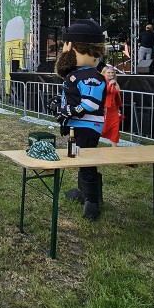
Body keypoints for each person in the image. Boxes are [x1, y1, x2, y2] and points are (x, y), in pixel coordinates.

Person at [55, 19, 107, 220]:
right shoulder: (77, 74)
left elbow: (90, 104)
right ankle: (84, 194)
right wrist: (60, 104)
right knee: (80, 158)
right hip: (78, 125)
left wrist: (69, 110)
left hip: (87, 126)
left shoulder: (90, 76)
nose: (63, 50)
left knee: (87, 161)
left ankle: (92, 201)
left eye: (66, 46)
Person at [101, 66, 123, 147]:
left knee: (115, 129)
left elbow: (116, 96)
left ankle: (114, 148)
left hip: (113, 109)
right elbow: (103, 93)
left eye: (112, 72)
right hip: (105, 108)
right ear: (104, 73)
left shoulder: (115, 83)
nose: (111, 74)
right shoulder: (101, 82)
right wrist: (109, 85)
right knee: (103, 128)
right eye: (109, 72)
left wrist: (118, 108)